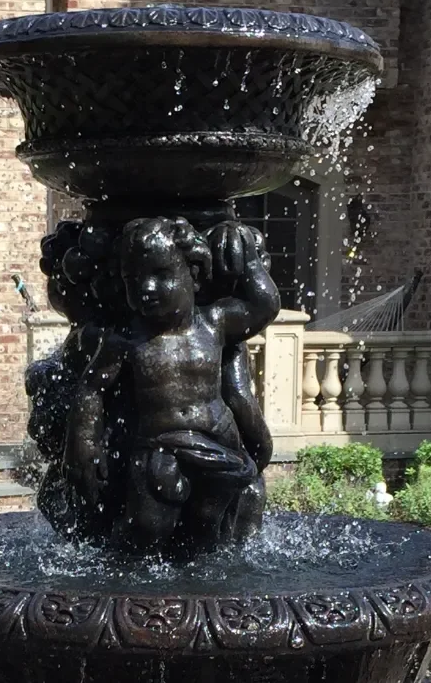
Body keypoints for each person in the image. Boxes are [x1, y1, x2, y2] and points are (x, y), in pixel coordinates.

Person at [66, 216, 281, 551]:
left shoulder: (214, 324)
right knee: (147, 526)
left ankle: (202, 587)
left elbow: (265, 306)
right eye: (132, 279)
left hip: (217, 442)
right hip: (158, 448)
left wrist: (248, 257)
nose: (146, 288)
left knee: (209, 530)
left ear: (193, 274)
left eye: (161, 274)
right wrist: (83, 443)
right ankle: (124, 579)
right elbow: (93, 387)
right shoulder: (126, 339)